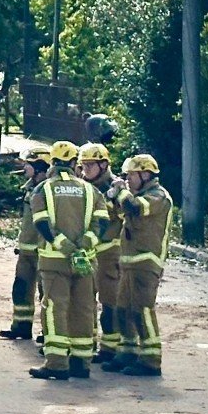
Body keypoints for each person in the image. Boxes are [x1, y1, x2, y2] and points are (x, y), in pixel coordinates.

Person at [29, 140, 109, 383]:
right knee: (84, 309)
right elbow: (102, 222)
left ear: (53, 162)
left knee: (55, 308)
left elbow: (42, 223)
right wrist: (84, 245)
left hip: (55, 261)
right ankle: (81, 362)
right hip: (84, 260)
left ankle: (56, 363)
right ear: (74, 163)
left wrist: (63, 244)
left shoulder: (43, 189)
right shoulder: (90, 190)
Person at [113, 152, 175, 377]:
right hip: (130, 261)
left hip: (147, 262)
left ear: (146, 174)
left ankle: (150, 359)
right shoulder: (138, 193)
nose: (128, 179)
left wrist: (121, 191)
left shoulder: (158, 196)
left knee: (142, 310)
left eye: (132, 175)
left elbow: (135, 208)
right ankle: (128, 351)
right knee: (123, 309)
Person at [77, 142, 125, 369]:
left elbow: (117, 214)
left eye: (89, 165)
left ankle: (110, 348)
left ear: (103, 164)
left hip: (108, 253)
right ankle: (90, 344)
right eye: (83, 165)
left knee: (109, 302)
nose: (85, 170)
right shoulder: (85, 185)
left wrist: (114, 194)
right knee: (86, 301)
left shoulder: (115, 187)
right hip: (89, 252)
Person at [0, 149, 53, 342]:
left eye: (29, 163)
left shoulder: (49, 190)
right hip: (26, 250)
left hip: (43, 250)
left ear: (40, 167)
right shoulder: (30, 187)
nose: (24, 166)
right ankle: (21, 325)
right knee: (21, 288)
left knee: (46, 293)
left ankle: (49, 332)